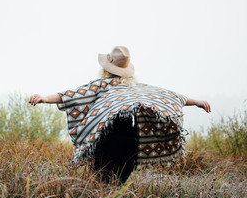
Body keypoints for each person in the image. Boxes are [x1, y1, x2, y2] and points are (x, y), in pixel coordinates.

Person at [29, 46, 211, 184]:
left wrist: (44, 98)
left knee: (101, 186)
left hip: (106, 141)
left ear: (107, 68)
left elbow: (72, 95)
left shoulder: (101, 85)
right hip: (130, 143)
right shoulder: (136, 88)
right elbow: (168, 96)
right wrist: (197, 102)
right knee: (116, 187)